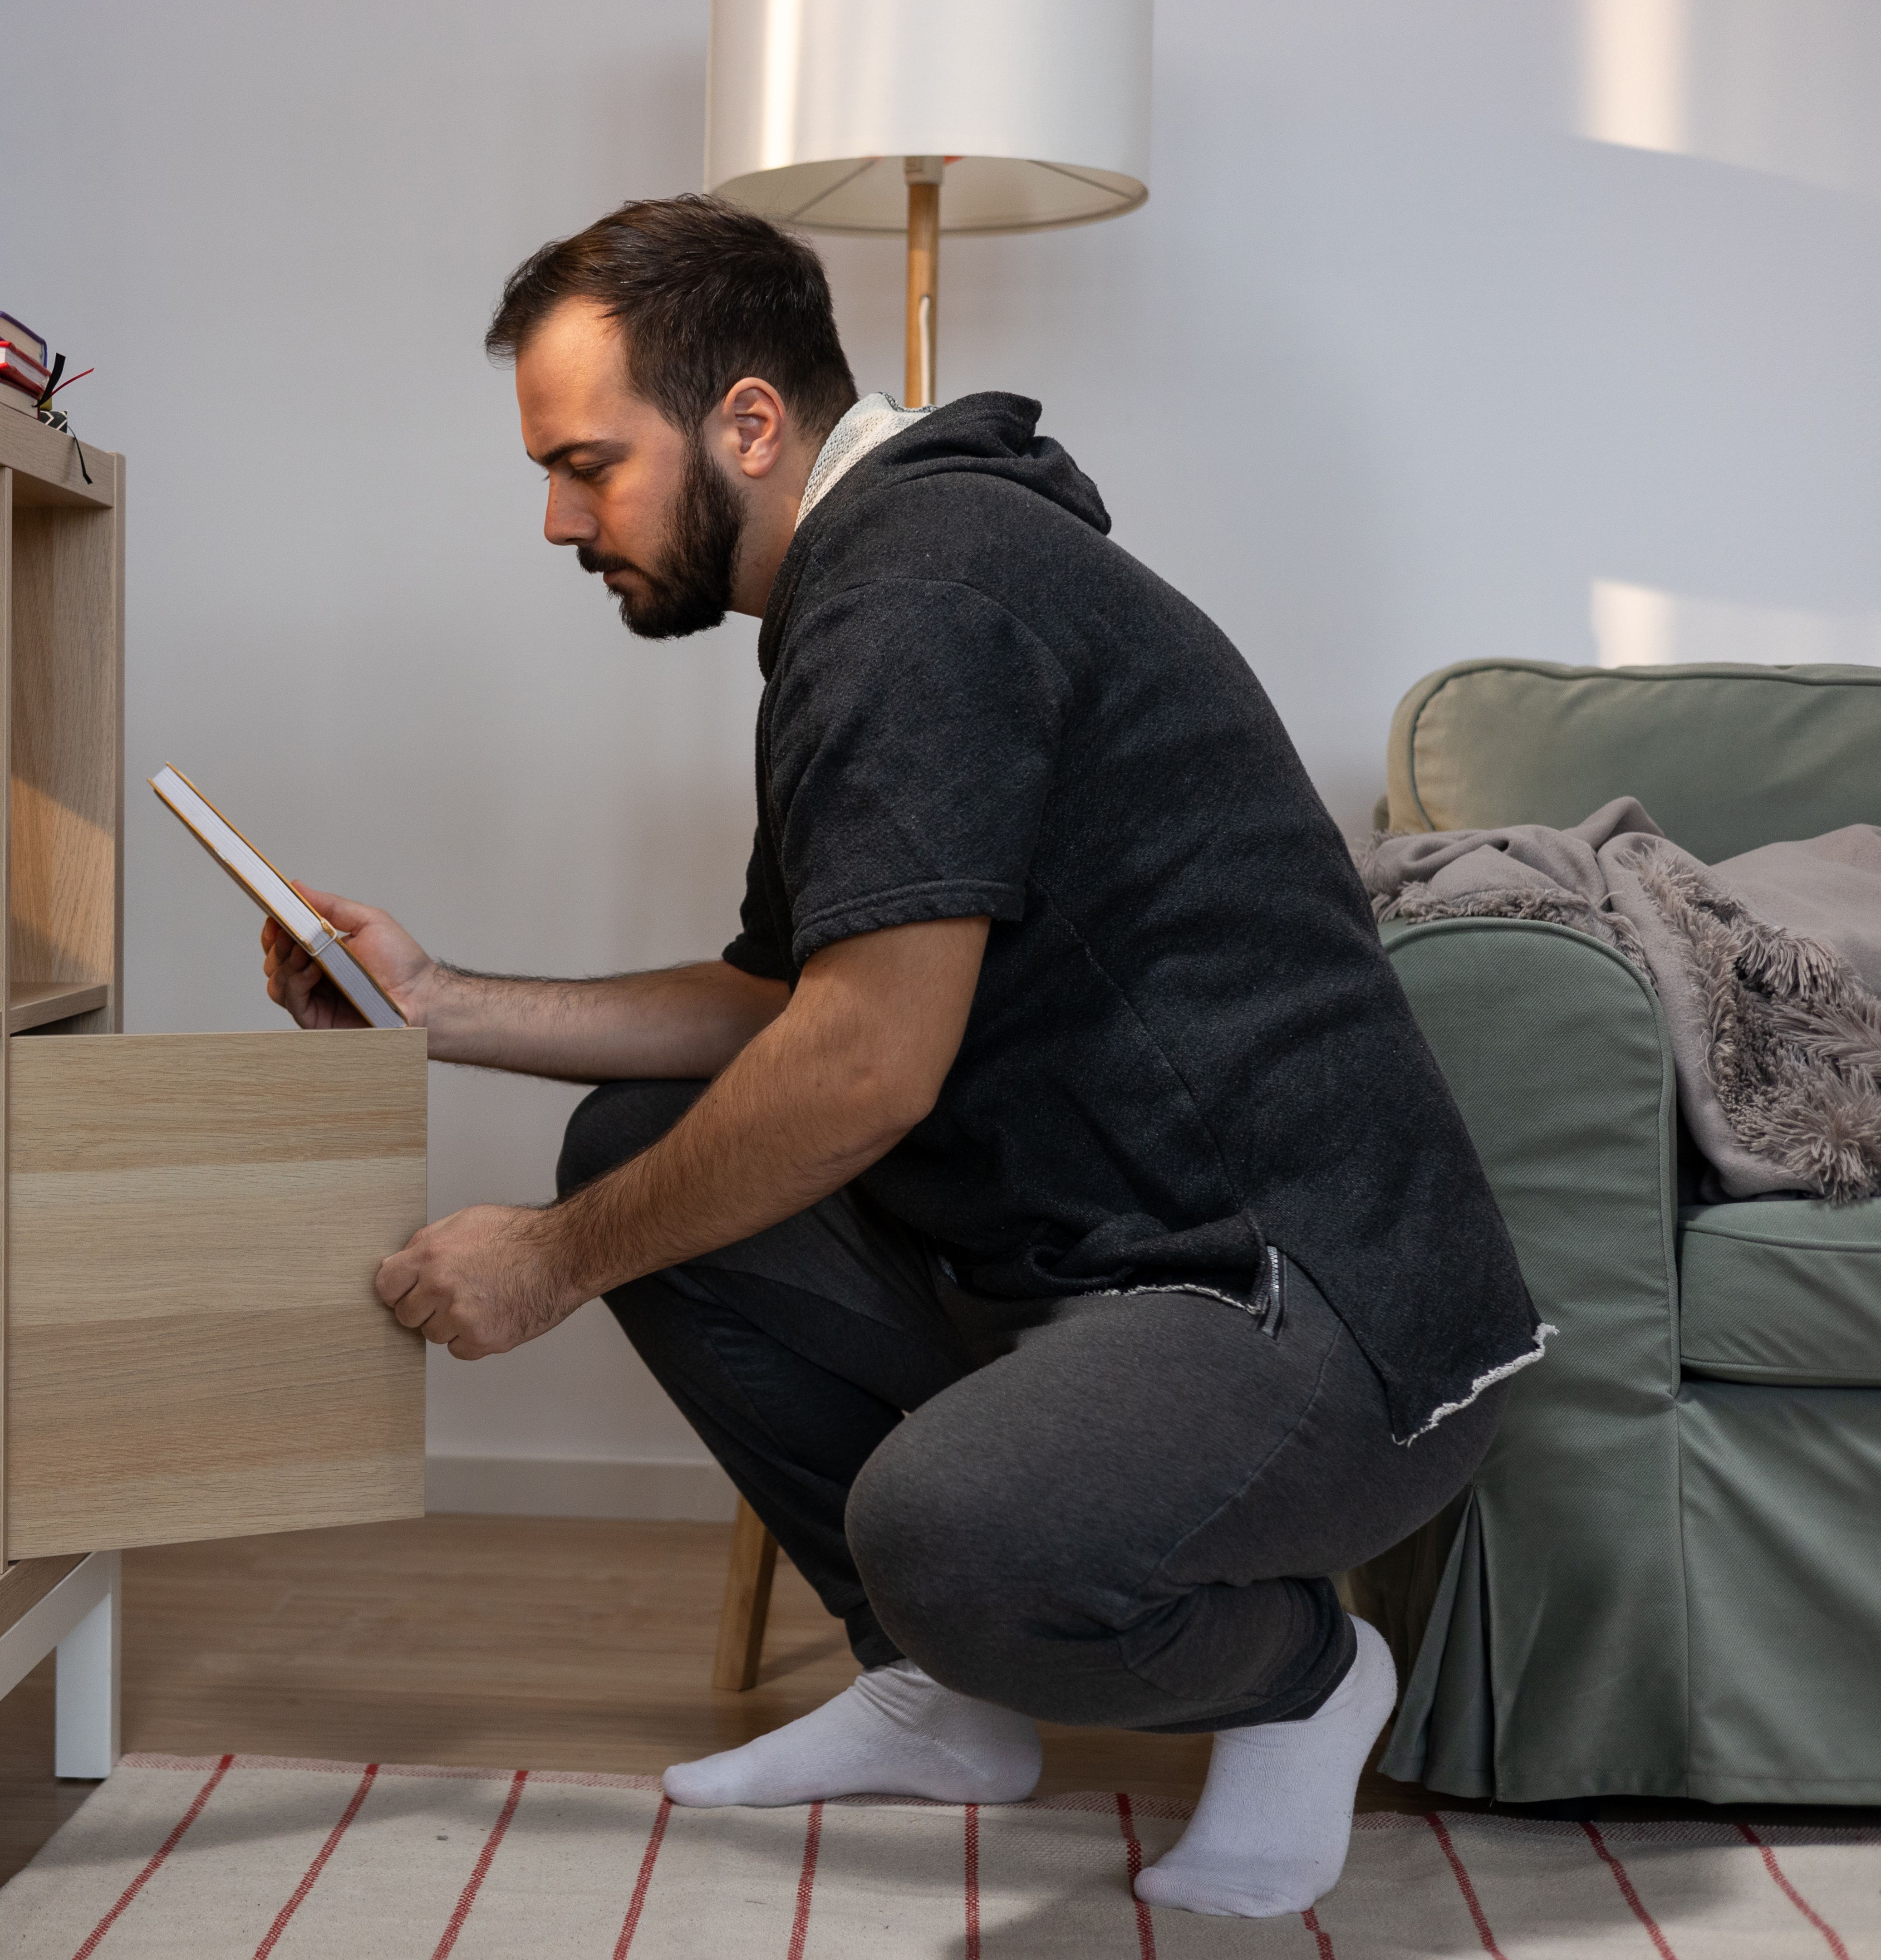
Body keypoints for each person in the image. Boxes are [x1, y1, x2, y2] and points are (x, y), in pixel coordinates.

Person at [257, 196, 1544, 1920]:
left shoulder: (921, 597)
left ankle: (1301, 1674)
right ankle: (949, 1701)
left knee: (954, 1533)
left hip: (1325, 1313)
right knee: (638, 1136)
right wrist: (439, 1005)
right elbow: (785, 999)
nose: (559, 520)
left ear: (752, 423)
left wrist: (552, 1271)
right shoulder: (878, 581)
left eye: (587, 464)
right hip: (1108, 1266)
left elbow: (864, 1069)